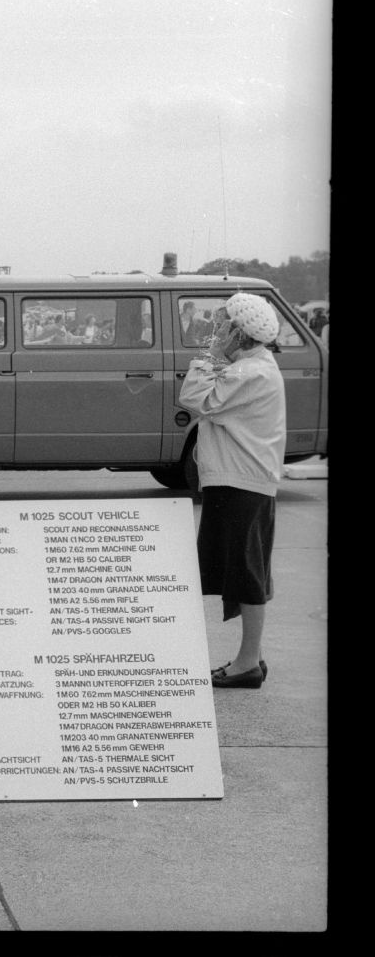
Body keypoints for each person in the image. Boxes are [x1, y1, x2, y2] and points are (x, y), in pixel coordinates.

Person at [179, 292, 286, 689]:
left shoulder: (251, 373)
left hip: (244, 484)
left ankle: (248, 663)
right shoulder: (249, 366)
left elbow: (194, 398)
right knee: (242, 572)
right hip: (237, 482)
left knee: (247, 574)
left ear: (242, 332)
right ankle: (249, 658)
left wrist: (209, 355)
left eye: (224, 326)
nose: (217, 331)